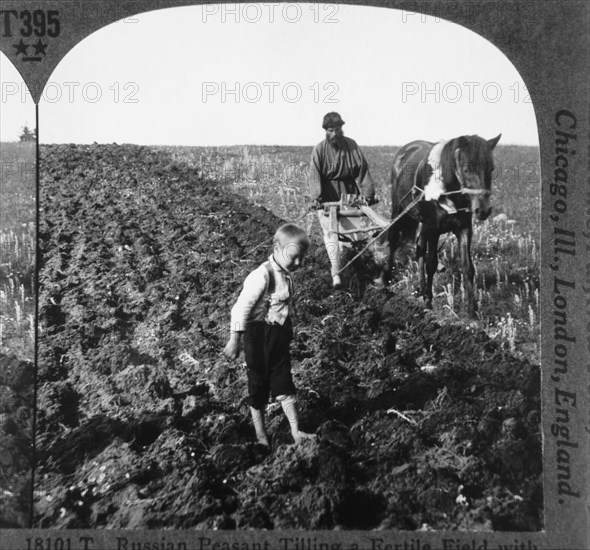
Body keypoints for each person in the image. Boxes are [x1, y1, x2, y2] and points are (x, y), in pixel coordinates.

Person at [223, 223, 314, 446]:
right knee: (258, 385)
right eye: (293, 257)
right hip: (258, 338)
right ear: (276, 248)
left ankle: (295, 432)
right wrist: (235, 340)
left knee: (284, 381)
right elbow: (240, 308)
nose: (298, 263)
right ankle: (261, 436)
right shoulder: (262, 275)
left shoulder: (287, 274)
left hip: (278, 338)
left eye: (301, 258)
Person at [309, 112, 376, 288]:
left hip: (349, 194)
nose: (335, 134)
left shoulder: (351, 146)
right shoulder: (319, 150)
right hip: (327, 195)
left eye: (338, 129)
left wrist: (368, 195)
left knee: (352, 235)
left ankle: (358, 272)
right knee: (331, 233)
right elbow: (315, 176)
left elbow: (363, 171)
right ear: (326, 131)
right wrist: (317, 198)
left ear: (342, 129)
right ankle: (336, 271)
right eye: (331, 130)